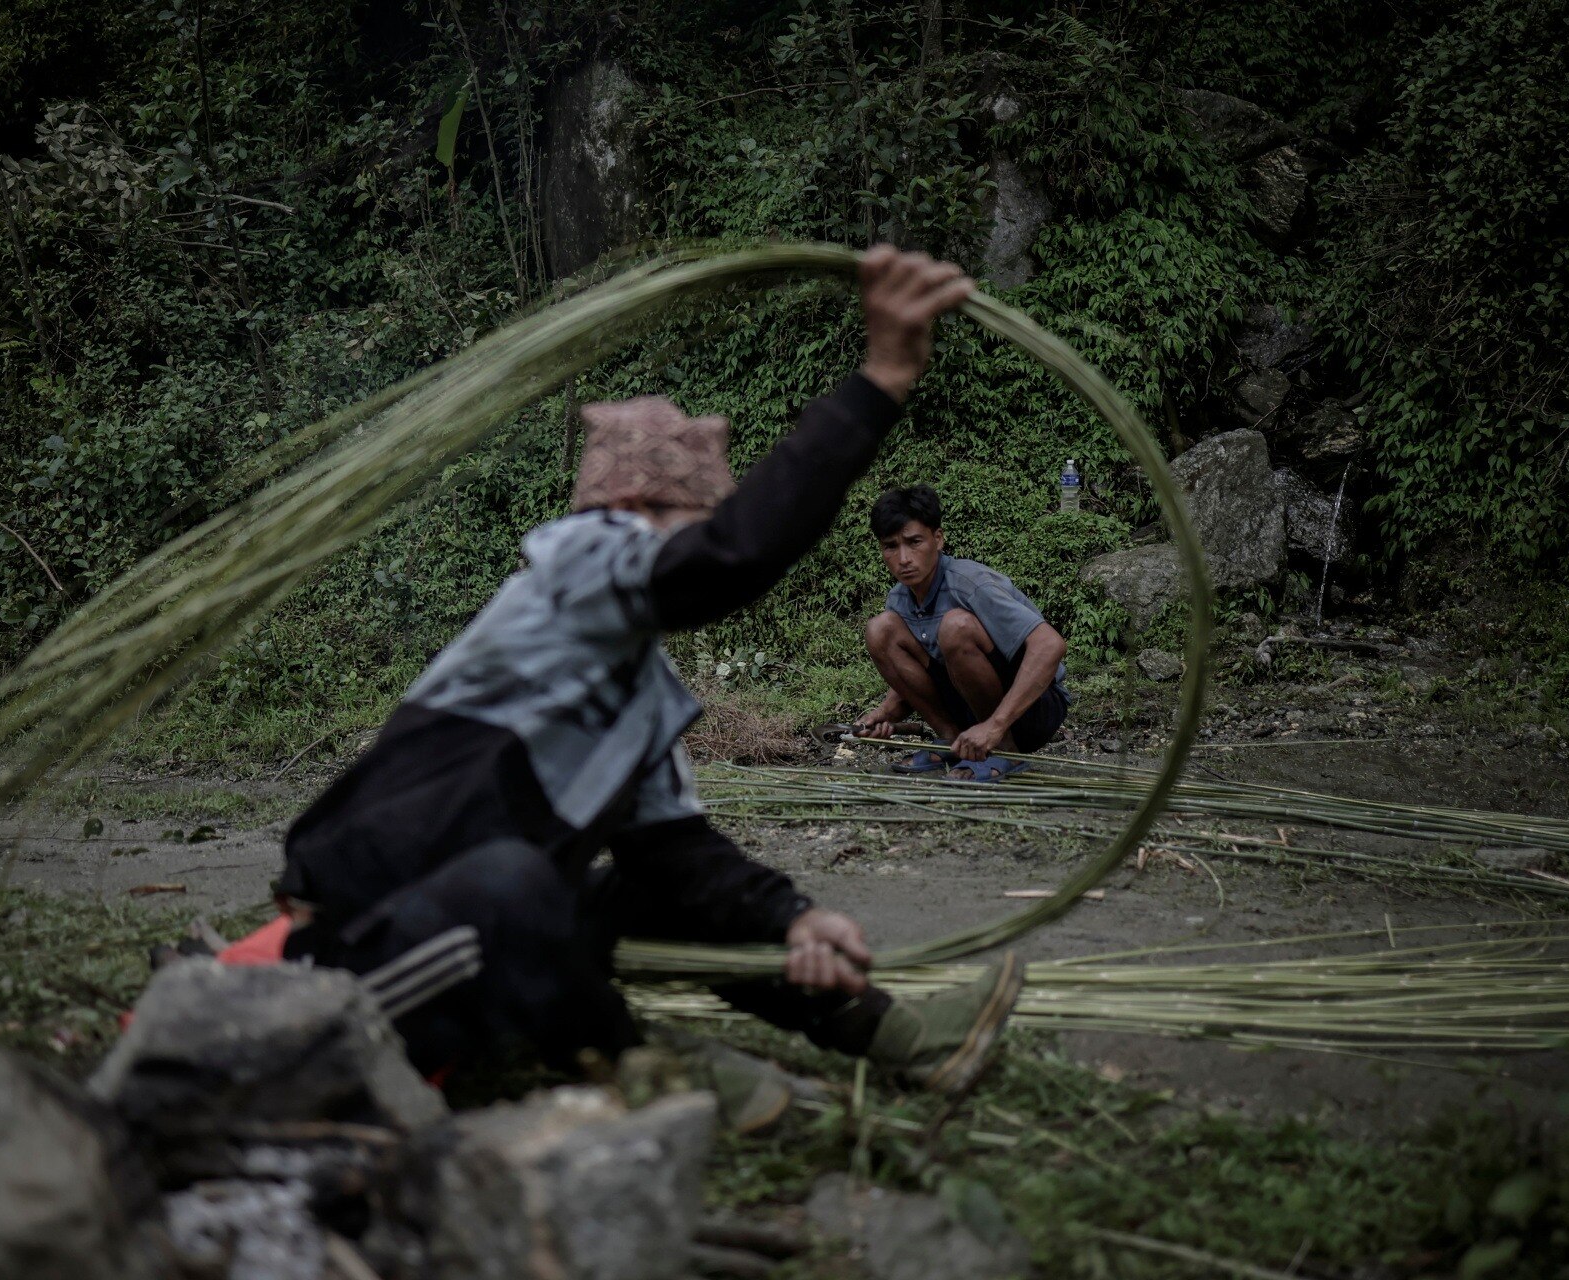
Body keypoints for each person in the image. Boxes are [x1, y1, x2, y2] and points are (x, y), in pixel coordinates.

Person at [275, 247, 1024, 1130]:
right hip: (367, 951)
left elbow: (681, 856)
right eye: (687, 525)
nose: (688, 545)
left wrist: (792, 922)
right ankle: (646, 1069)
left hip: (486, 948)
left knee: (649, 888)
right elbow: (730, 560)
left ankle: (903, 1041)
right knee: (512, 882)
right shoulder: (571, 573)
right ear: (634, 516)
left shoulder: (636, 685)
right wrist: (883, 376)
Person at [854, 484, 1070, 781]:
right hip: (971, 711)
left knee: (956, 626)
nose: (903, 558)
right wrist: (886, 711)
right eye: (891, 546)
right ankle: (953, 742)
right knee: (880, 629)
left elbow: (1050, 645)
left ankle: (1006, 751)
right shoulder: (899, 599)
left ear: (938, 539)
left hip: (1031, 712)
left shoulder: (969, 583)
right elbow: (923, 670)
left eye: (914, 541)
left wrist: (994, 726)